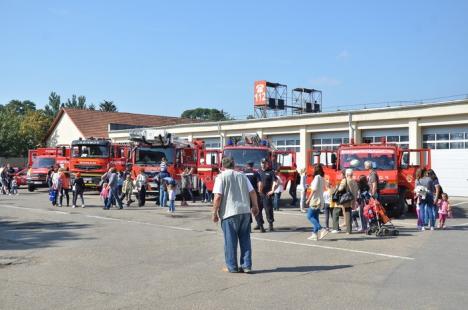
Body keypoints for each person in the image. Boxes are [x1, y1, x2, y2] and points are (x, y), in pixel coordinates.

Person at [212, 157, 259, 273]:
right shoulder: (243, 176)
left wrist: (214, 213)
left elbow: (218, 197)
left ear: (223, 165)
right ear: (234, 165)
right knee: (245, 240)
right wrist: (255, 206)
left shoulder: (221, 177)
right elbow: (252, 192)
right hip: (244, 212)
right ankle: (246, 265)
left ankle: (232, 266)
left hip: (229, 213)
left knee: (230, 242)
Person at [305, 165, 328, 240]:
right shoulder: (322, 178)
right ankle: (314, 234)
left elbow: (314, 189)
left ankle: (321, 229)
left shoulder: (317, 177)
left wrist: (308, 199)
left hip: (315, 200)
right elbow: (324, 187)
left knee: (309, 216)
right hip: (320, 199)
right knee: (315, 217)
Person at [337, 168, 359, 234]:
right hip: (353, 199)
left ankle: (348, 230)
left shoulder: (345, 180)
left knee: (347, 213)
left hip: (346, 199)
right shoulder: (354, 181)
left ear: (346, 174)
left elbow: (340, 189)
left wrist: (338, 188)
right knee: (349, 212)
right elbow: (356, 192)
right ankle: (349, 229)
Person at [258, 158, 277, 232]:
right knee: (258, 211)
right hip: (259, 194)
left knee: (268, 210)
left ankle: (270, 224)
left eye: (265, 163)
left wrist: (272, 190)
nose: (263, 164)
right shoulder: (258, 172)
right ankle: (259, 224)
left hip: (267, 195)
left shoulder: (271, 172)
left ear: (267, 164)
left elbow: (275, 181)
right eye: (262, 163)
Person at [243, 161, 263, 232]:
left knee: (248, 211)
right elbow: (260, 183)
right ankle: (261, 227)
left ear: (246, 165)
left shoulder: (243, 173)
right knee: (257, 209)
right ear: (252, 166)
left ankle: (249, 228)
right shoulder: (255, 173)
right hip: (254, 193)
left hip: (246, 194)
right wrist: (260, 192)